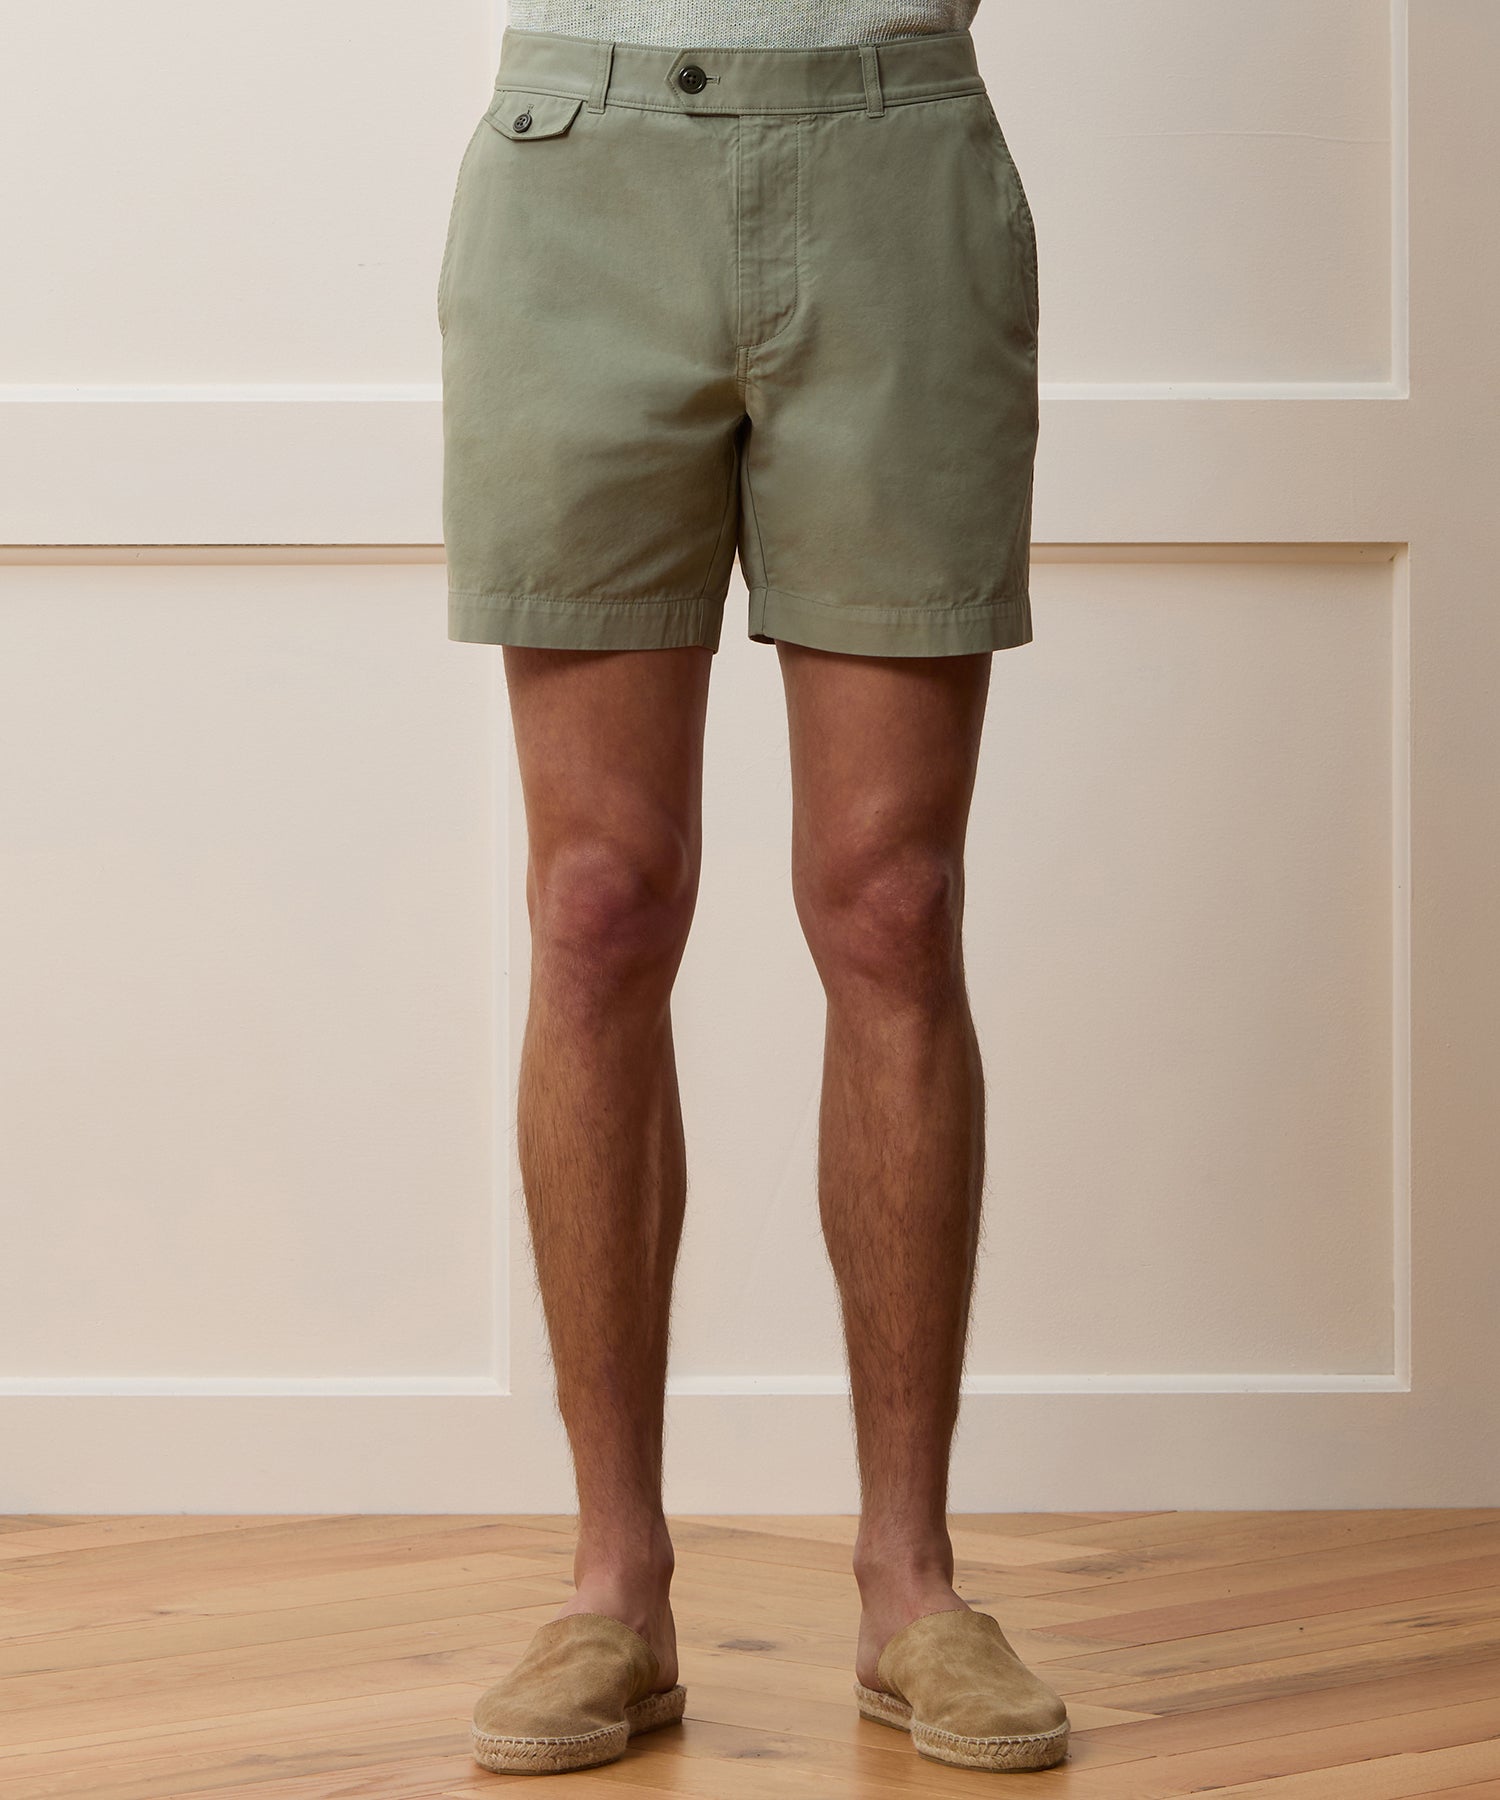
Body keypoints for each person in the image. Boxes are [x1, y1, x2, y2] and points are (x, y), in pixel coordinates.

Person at [437, 0, 1068, 1774]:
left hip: (898, 164)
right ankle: (613, 1589)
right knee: (597, 902)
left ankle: (911, 1587)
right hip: (580, 169)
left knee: (893, 899)